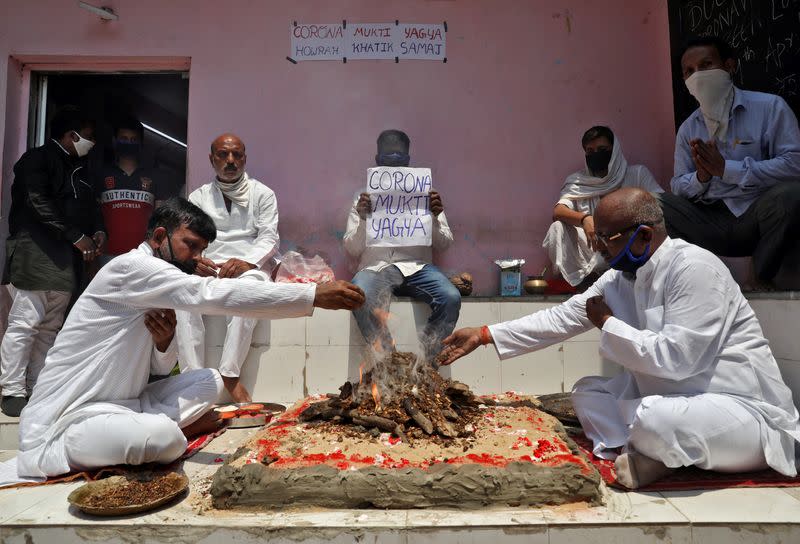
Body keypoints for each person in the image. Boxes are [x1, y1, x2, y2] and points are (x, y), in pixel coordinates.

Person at [439, 188, 799, 489]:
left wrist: (608, 323)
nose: (598, 249)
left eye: (606, 239)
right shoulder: (622, 276)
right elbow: (563, 316)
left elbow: (676, 361)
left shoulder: (695, 269)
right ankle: (660, 455)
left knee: (657, 420)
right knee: (587, 392)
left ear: (644, 234)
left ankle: (660, 450)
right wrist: (486, 334)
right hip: (670, 400)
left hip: (738, 408)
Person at [1, 198, 363, 485]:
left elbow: (158, 369)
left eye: (201, 249)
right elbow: (208, 294)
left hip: (129, 402)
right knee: (164, 441)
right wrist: (312, 295)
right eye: (190, 246)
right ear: (159, 237)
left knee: (211, 380)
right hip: (70, 418)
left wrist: (163, 342)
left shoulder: (159, 278)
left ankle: (150, 427)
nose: (197, 258)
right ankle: (172, 431)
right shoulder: (132, 268)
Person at [659, 36, 800, 288]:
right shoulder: (688, 129)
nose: (697, 76)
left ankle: (761, 277)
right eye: (689, 71)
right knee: (652, 203)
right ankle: (695, 280)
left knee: (793, 194)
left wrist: (727, 170)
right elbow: (678, 186)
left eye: (706, 65)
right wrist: (701, 177)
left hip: (759, 217)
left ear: (730, 66)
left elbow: (794, 165)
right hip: (710, 221)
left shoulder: (770, 108)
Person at [1, 107, 105, 417]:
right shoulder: (37, 160)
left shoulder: (80, 168)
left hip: (66, 257)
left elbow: (91, 207)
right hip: (36, 250)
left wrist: (98, 231)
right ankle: (11, 389)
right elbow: (37, 202)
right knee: (24, 323)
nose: (92, 143)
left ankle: (37, 387)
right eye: (88, 137)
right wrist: (76, 236)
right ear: (71, 135)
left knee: (49, 327)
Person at [175, 133, 280, 403]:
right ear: (212, 159)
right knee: (183, 296)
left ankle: (230, 375)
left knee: (250, 290)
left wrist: (247, 262)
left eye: (237, 155)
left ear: (245, 158)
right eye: (223, 154)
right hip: (209, 265)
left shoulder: (263, 194)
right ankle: (192, 379)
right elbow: (189, 237)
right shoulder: (198, 197)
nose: (230, 160)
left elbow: (269, 237)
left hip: (249, 265)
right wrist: (196, 260)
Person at [343, 129, 461, 361]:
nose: (393, 167)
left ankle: (428, 365)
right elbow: (352, 249)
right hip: (376, 268)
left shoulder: (425, 195)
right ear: (377, 161)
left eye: (398, 160)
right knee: (358, 295)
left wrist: (435, 215)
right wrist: (364, 218)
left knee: (450, 296)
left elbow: (444, 244)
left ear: (408, 160)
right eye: (387, 161)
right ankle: (391, 362)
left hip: (417, 268)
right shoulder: (363, 198)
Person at [543, 126, 662, 289]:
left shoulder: (637, 174)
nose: (595, 154)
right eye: (590, 150)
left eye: (602, 149)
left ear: (614, 150)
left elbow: (661, 204)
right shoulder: (578, 181)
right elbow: (558, 211)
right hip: (592, 246)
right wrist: (585, 219)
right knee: (557, 228)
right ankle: (581, 284)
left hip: (626, 240)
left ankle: (626, 273)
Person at [94, 115, 172, 263]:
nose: (128, 143)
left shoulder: (155, 176)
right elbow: (95, 212)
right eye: (123, 138)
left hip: (144, 256)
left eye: (133, 140)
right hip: (107, 255)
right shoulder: (102, 174)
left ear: (141, 143)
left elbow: (161, 216)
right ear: (114, 141)